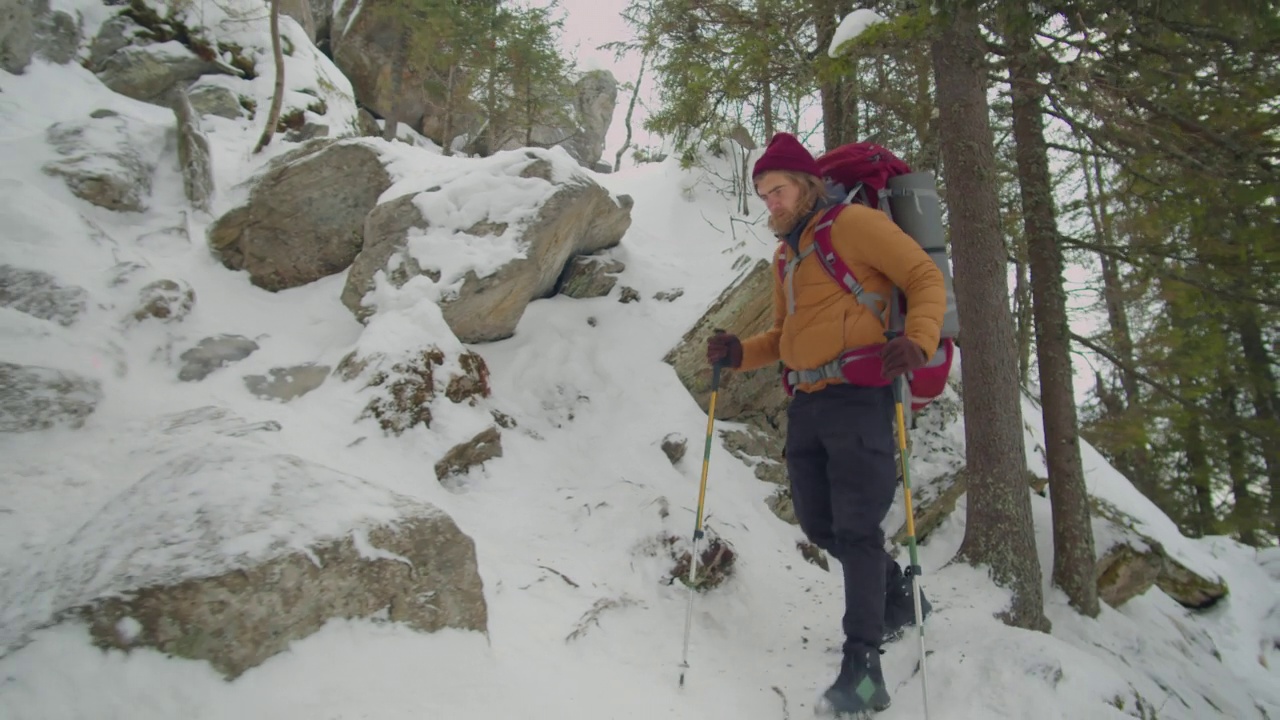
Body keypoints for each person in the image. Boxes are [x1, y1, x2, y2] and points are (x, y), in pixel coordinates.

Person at [706, 133, 943, 715]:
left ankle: (863, 670)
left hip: (860, 397)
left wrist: (918, 341)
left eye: (778, 190)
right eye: (763, 196)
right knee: (818, 524)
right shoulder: (786, 257)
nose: (772, 204)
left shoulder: (853, 225)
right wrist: (740, 353)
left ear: (807, 184)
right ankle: (897, 595)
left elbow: (923, 278)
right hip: (808, 405)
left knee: (858, 530)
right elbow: (783, 339)